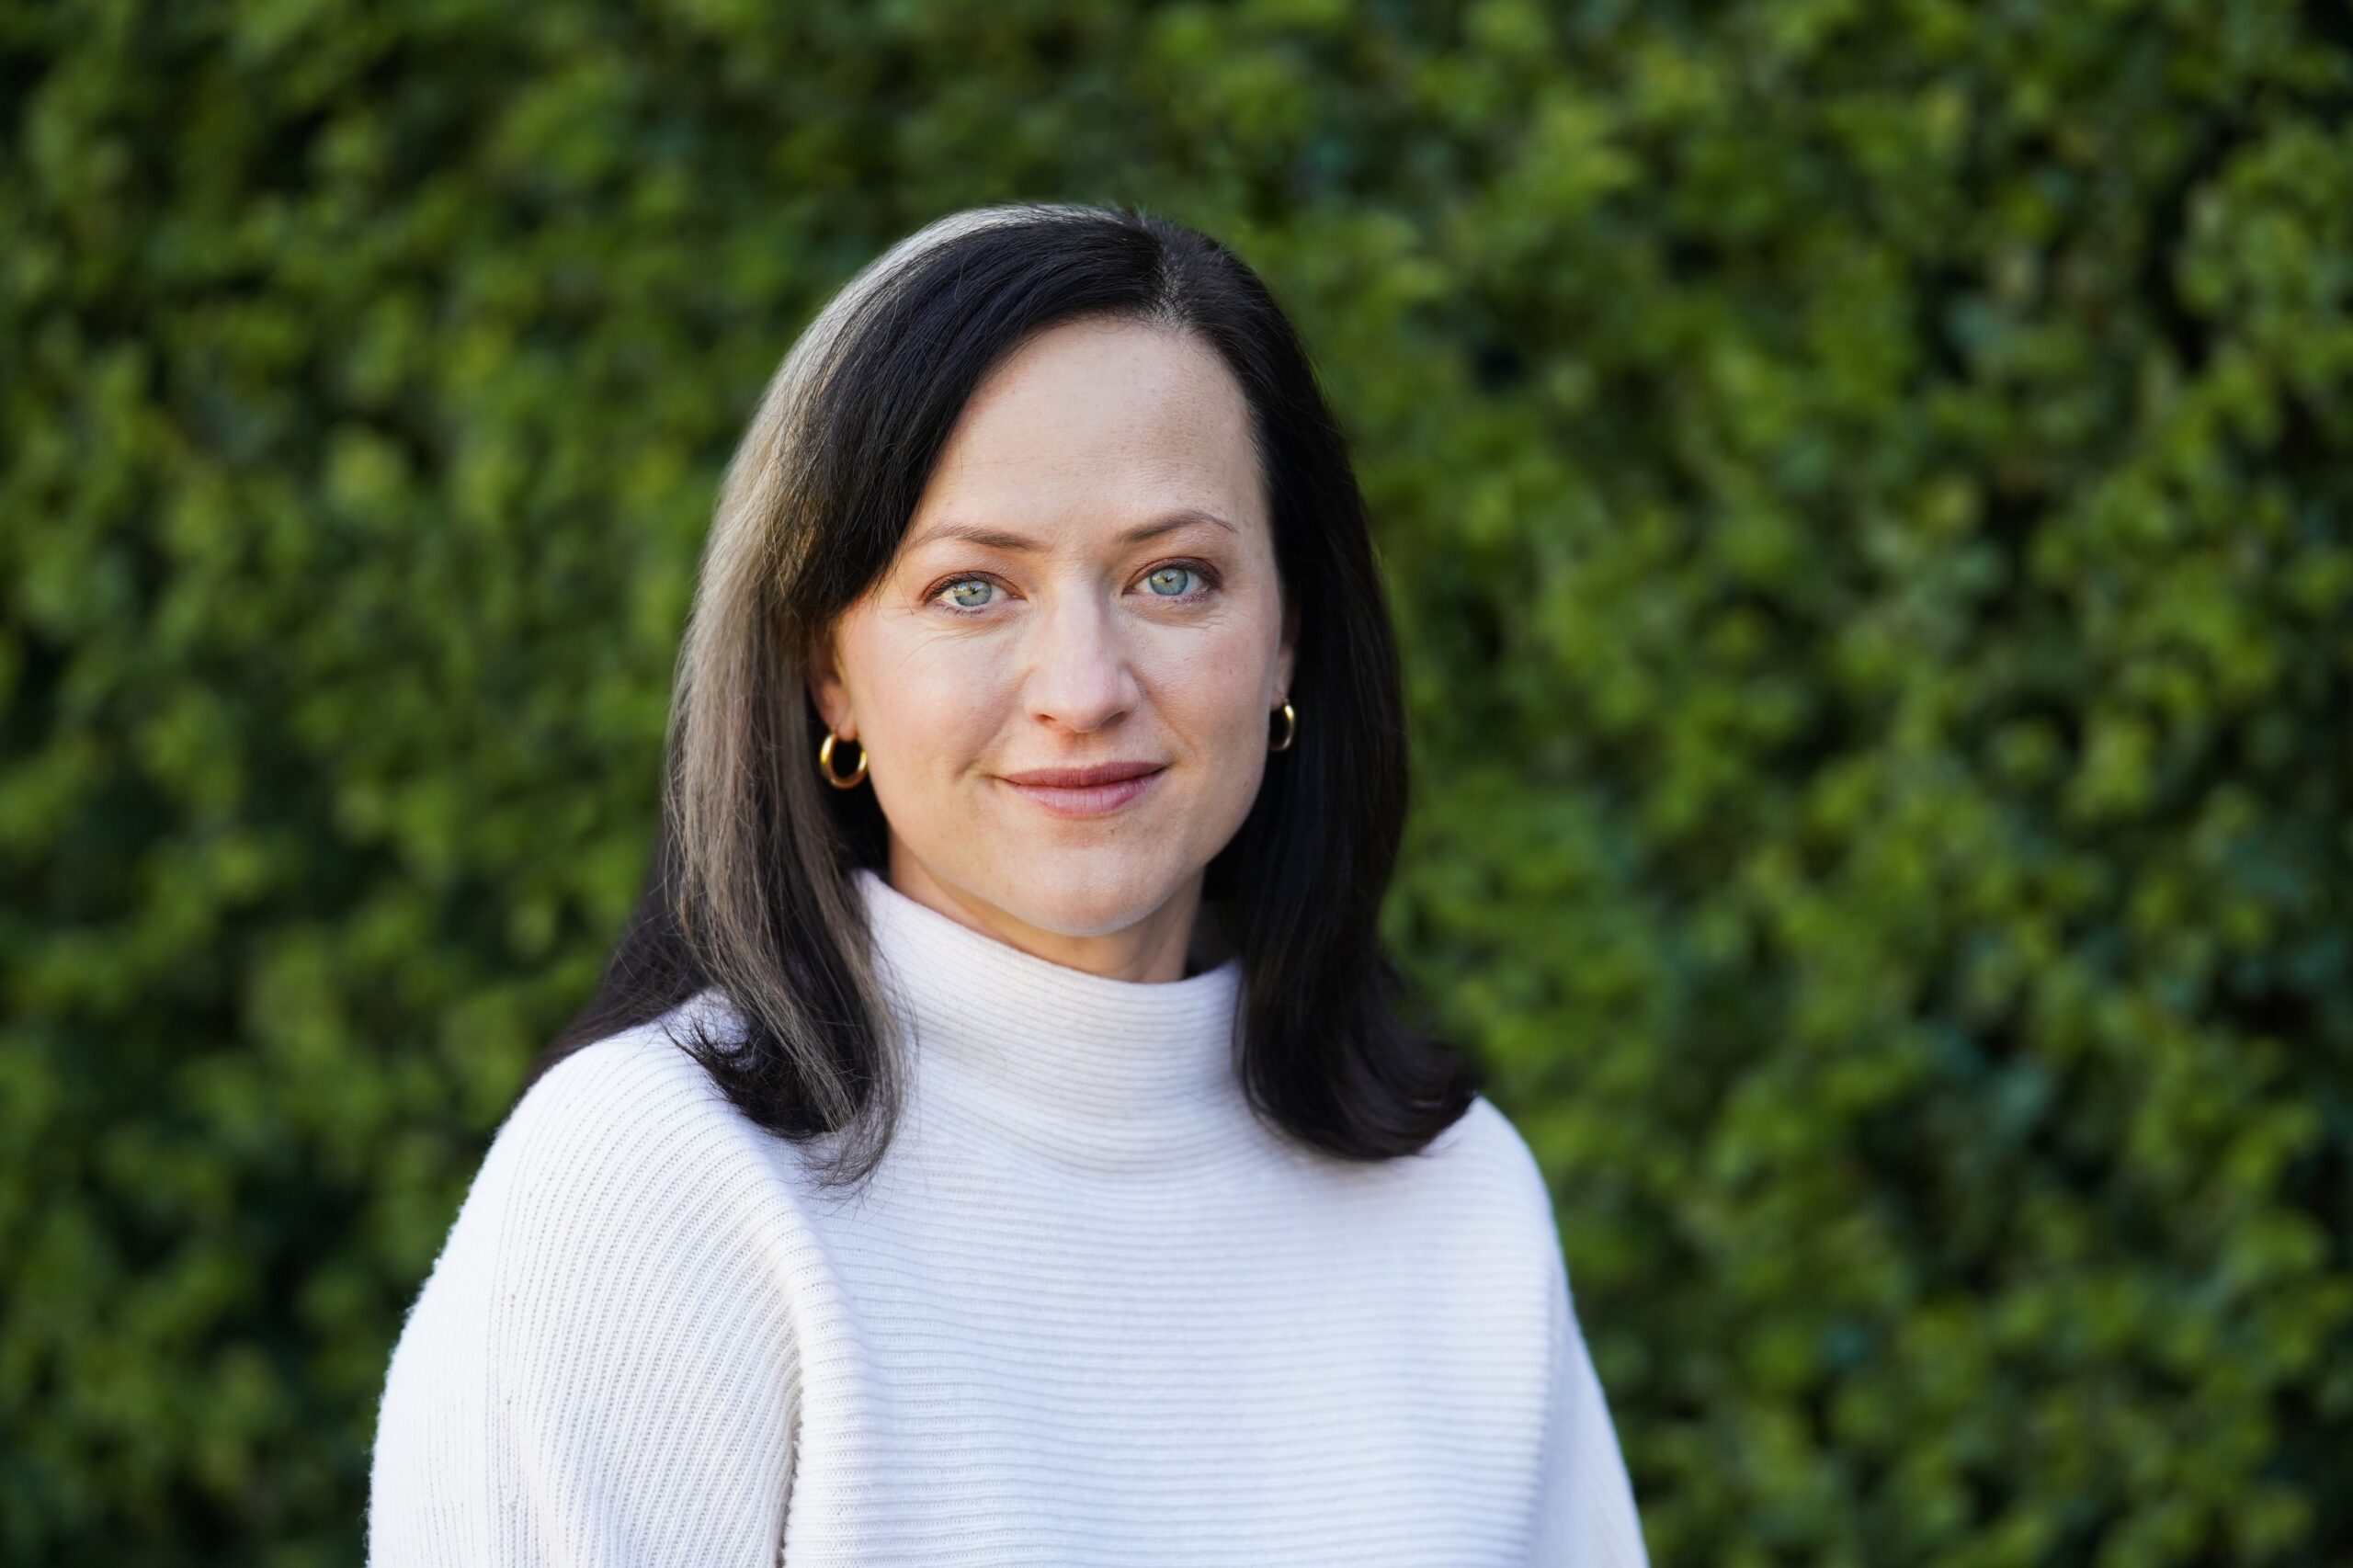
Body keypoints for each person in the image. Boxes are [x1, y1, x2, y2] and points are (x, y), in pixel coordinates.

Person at [366, 201, 1650, 1565]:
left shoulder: (1458, 1199)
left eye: (1173, 576)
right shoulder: (658, 1184)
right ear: (829, 671)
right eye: (973, 590)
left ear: (1288, 642)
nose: (1085, 691)